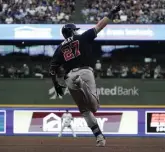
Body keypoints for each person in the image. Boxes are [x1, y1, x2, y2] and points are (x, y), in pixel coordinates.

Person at [49, 5, 121, 147]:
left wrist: (57, 85)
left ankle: (99, 137)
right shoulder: (82, 37)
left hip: (69, 78)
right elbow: (100, 26)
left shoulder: (59, 48)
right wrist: (111, 13)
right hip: (85, 72)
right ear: (72, 31)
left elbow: (52, 69)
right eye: (75, 30)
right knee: (94, 108)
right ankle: (82, 84)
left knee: (84, 110)